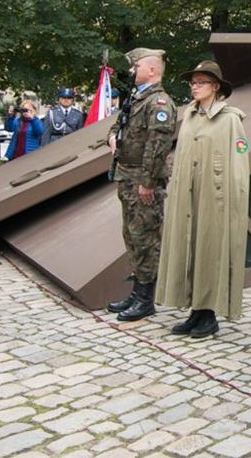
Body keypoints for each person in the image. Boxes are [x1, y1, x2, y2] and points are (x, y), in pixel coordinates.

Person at [157, 60, 250, 339]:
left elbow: (239, 161)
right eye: (193, 83)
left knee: (210, 250)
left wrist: (232, 199)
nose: (195, 87)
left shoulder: (230, 119)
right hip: (187, 195)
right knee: (189, 246)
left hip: (215, 198)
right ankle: (195, 310)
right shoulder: (189, 116)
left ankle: (209, 314)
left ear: (216, 87)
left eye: (201, 82)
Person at [105, 48, 177, 321]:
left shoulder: (158, 103)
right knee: (132, 236)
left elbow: (157, 147)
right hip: (127, 176)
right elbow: (117, 127)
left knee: (146, 239)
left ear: (151, 70)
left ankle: (146, 299)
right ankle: (137, 292)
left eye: (136, 67)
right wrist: (113, 138)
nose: (132, 72)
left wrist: (147, 183)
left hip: (143, 181)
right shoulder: (136, 99)